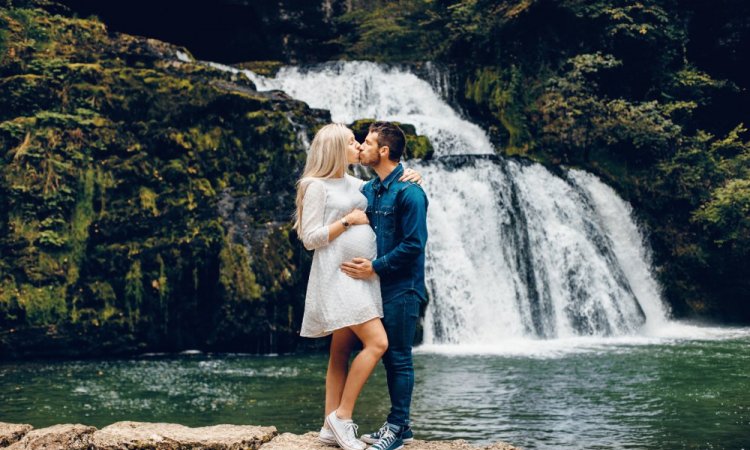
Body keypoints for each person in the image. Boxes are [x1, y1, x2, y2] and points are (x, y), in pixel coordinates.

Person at [294, 123, 421, 450]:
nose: (358, 147)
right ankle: (342, 418)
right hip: (339, 276)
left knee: (339, 353)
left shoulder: (359, 184)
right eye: (352, 142)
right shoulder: (315, 186)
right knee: (378, 343)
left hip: (363, 279)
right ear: (336, 148)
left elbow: (389, 183)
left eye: (361, 142)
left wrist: (414, 175)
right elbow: (310, 239)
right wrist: (348, 221)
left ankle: (327, 425)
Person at [341, 121, 429, 450]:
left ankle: (397, 428)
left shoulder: (410, 192)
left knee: (399, 357)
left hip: (403, 287)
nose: (361, 146)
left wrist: (374, 267)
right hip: (379, 286)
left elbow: (414, 245)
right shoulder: (373, 190)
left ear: (384, 151)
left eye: (367, 142)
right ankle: (399, 426)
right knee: (390, 357)